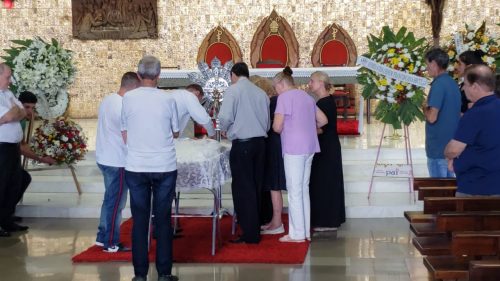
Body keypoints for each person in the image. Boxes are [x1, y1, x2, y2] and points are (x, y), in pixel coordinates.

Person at [121, 56, 179, 281]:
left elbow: (124, 128)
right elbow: (174, 131)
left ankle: (139, 274)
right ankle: (164, 273)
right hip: (164, 165)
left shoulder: (128, 99)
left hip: (136, 166)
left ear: (138, 75)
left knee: (140, 220)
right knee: (163, 219)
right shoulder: (168, 99)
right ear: (159, 76)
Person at [272, 67, 327, 243]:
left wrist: (281, 127)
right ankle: (304, 232)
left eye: (276, 87)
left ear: (281, 84)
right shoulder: (306, 96)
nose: (276, 90)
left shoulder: (284, 98)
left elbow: (277, 127)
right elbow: (323, 120)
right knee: (303, 190)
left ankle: (297, 234)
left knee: (295, 191)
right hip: (310, 146)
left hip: (293, 148)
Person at [218, 62, 270, 244]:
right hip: (260, 144)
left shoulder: (234, 90)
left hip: (243, 145)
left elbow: (224, 117)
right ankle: (256, 225)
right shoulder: (261, 93)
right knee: (256, 186)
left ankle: (249, 233)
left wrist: (222, 129)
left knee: (243, 189)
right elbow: (267, 123)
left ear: (233, 74)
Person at [95, 72, 139, 253]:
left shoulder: (108, 99)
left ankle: (102, 235)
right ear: (133, 88)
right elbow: (127, 135)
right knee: (116, 204)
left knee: (109, 200)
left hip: (104, 157)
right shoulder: (122, 105)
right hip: (117, 161)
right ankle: (111, 243)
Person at [444, 65, 500, 196]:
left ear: (475, 86)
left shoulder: (476, 113)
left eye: (465, 84)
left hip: (477, 187)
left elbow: (453, 149)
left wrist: (448, 155)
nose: (463, 88)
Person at [9, 91, 56, 225]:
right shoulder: (14, 119)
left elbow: (22, 144)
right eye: (26, 107)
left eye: (33, 108)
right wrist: (42, 158)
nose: (30, 111)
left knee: (23, 179)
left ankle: (7, 213)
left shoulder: (22, 121)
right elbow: (20, 147)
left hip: (11, 157)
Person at [308, 71, 346, 232]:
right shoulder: (325, 101)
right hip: (328, 146)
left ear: (321, 83)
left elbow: (322, 129)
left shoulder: (324, 103)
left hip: (326, 147)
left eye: (312, 81)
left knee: (324, 182)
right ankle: (328, 218)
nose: (309, 84)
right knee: (324, 181)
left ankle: (327, 221)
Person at [249, 75, 285, 235]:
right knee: (272, 184)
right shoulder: (274, 100)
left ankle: (277, 222)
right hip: (274, 142)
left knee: (273, 184)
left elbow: (269, 125)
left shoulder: (272, 102)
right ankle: (274, 220)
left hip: (273, 143)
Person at [423, 48, 461, 178]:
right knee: (450, 191)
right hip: (451, 147)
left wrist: (423, 106)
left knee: (438, 191)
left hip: (438, 148)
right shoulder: (452, 83)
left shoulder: (438, 85)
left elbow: (432, 117)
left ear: (434, 63)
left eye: (427, 65)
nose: (426, 68)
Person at [0, 62, 27, 237]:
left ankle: (6, 219)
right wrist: (14, 111)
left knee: (14, 183)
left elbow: (23, 112)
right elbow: (9, 116)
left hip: (13, 148)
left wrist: (15, 111)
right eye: (7, 77)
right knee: (1, 185)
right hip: (1, 148)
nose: (10, 81)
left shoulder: (8, 93)